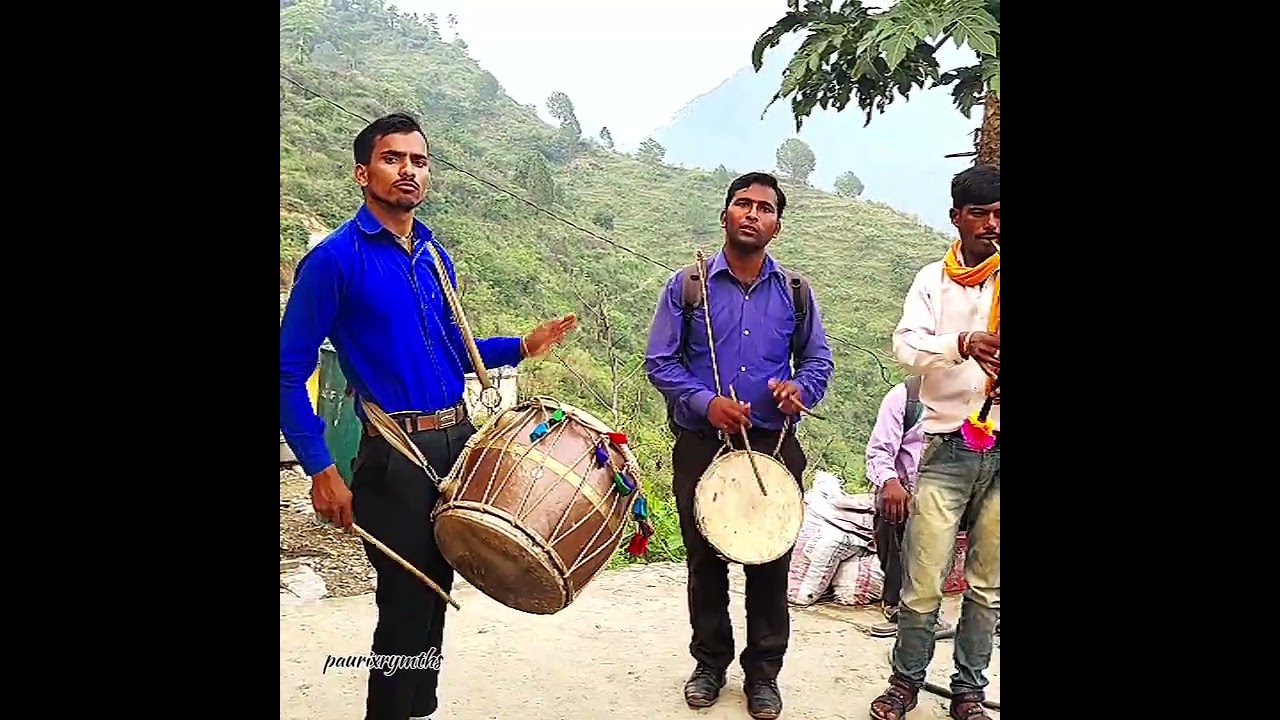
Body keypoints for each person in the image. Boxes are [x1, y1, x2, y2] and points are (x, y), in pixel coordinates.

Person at [279, 112, 577, 720]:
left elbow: (448, 347)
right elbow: (287, 372)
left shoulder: (434, 255)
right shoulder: (334, 260)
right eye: (392, 159)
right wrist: (320, 468)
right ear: (364, 173)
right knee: (406, 606)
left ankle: (418, 709)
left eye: (418, 161)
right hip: (394, 456)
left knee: (437, 594)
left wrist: (521, 345)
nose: (407, 171)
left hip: (456, 443)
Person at [644, 172, 834, 720]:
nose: (752, 213)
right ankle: (709, 664)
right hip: (702, 445)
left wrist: (800, 390)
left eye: (765, 208)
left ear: (777, 224)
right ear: (725, 214)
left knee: (769, 560)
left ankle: (764, 675)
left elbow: (817, 362)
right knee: (705, 562)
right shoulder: (688, 285)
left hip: (772, 448)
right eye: (742, 204)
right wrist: (707, 403)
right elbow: (660, 361)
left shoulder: (796, 292)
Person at [868, 164, 1000, 720]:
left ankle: (969, 692)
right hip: (947, 443)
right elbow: (906, 347)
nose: (992, 224)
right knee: (923, 580)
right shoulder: (932, 281)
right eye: (980, 214)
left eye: (1000, 214)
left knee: (986, 585)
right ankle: (905, 683)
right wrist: (963, 342)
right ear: (956, 219)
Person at [864, 375, 954, 640]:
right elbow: (879, 451)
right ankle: (897, 605)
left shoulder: (972, 401)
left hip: (955, 491)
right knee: (889, 503)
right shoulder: (906, 397)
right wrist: (891, 482)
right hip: (910, 489)